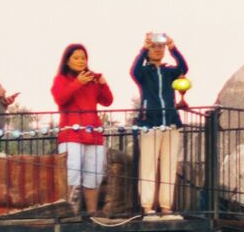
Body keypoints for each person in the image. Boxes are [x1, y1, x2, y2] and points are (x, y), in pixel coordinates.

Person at [129, 31, 190, 216]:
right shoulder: (144, 72)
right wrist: (143, 49)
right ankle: (147, 206)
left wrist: (173, 47)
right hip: (150, 124)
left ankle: (166, 205)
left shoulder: (169, 72)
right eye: (154, 47)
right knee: (148, 166)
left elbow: (183, 68)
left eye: (160, 47)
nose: (157, 50)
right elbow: (134, 71)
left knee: (169, 166)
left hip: (170, 123)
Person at [52, 43, 115, 217]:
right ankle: (69, 213)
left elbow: (108, 101)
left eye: (83, 58)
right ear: (67, 61)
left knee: (93, 176)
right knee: (72, 174)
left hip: (93, 134)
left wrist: (103, 84)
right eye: (76, 58)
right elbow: (60, 98)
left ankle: (92, 213)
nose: (81, 61)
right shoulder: (61, 79)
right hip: (71, 135)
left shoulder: (92, 79)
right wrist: (77, 83)